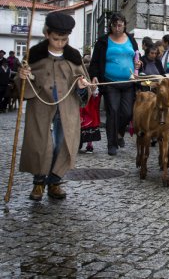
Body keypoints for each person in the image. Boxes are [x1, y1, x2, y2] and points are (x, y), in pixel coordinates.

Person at [15, 12, 94, 200]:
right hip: (41, 105)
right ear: (47, 34)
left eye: (64, 39)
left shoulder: (74, 56)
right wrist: (22, 77)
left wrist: (82, 86)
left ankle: (55, 181)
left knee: (64, 142)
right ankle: (38, 182)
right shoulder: (34, 55)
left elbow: (82, 82)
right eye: (56, 39)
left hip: (66, 107)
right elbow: (21, 86)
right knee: (40, 142)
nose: (60, 43)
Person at [89, 12, 140, 156]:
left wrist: (138, 64)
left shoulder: (130, 39)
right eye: (114, 25)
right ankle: (112, 144)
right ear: (110, 26)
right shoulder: (103, 41)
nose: (117, 28)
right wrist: (94, 77)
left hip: (129, 81)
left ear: (124, 25)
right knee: (113, 111)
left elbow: (136, 56)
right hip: (110, 82)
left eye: (120, 25)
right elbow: (95, 63)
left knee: (128, 112)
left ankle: (119, 133)